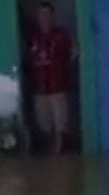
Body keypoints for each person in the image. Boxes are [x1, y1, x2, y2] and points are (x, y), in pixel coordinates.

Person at [26, 1, 77, 153]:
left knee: (61, 125)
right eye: (42, 14)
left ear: (53, 16)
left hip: (58, 87)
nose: (45, 17)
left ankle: (61, 155)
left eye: (48, 14)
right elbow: (27, 59)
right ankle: (48, 157)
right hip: (40, 89)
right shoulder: (33, 37)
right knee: (44, 126)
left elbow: (74, 53)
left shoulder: (61, 35)